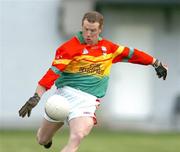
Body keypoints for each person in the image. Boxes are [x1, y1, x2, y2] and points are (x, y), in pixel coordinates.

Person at [19, 11, 167, 152]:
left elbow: (132, 54)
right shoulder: (68, 48)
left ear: (100, 29)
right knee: (42, 139)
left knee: (77, 136)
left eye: (93, 30)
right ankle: (47, 139)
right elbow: (51, 75)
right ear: (82, 27)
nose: (88, 34)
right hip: (63, 97)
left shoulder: (109, 49)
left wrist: (156, 63)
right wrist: (36, 97)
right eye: (86, 29)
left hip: (87, 102)